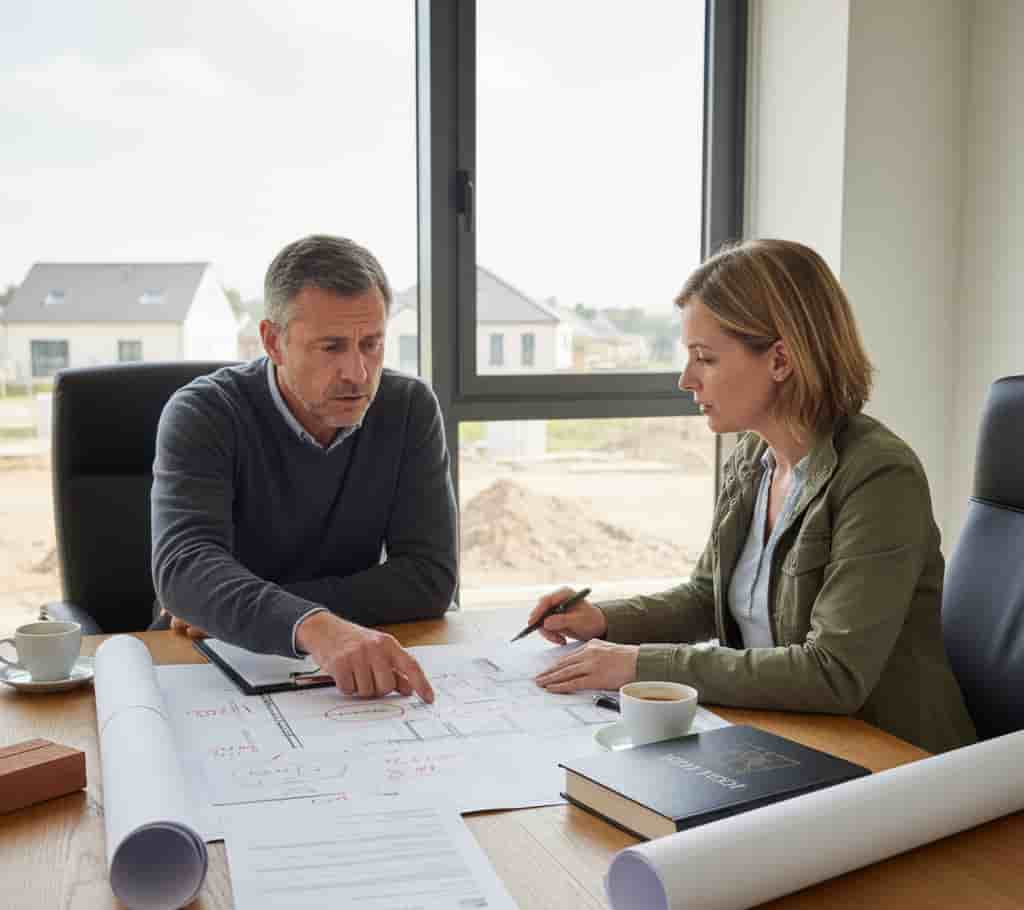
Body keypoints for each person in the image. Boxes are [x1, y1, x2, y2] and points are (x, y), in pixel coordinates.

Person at [530, 239, 976, 754]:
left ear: (781, 360)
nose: (686, 379)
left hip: (889, 757)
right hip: (787, 737)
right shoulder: (751, 459)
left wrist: (637, 663)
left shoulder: (879, 477)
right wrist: (603, 619)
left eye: (705, 358)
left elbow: (832, 673)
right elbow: (707, 597)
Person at [151, 234, 458, 703]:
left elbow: (429, 578)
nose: (358, 372)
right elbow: (185, 570)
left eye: (372, 344)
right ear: (274, 342)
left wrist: (287, 615)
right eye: (331, 347)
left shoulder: (408, 407)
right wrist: (314, 626)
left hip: (343, 662)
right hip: (199, 660)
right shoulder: (204, 412)